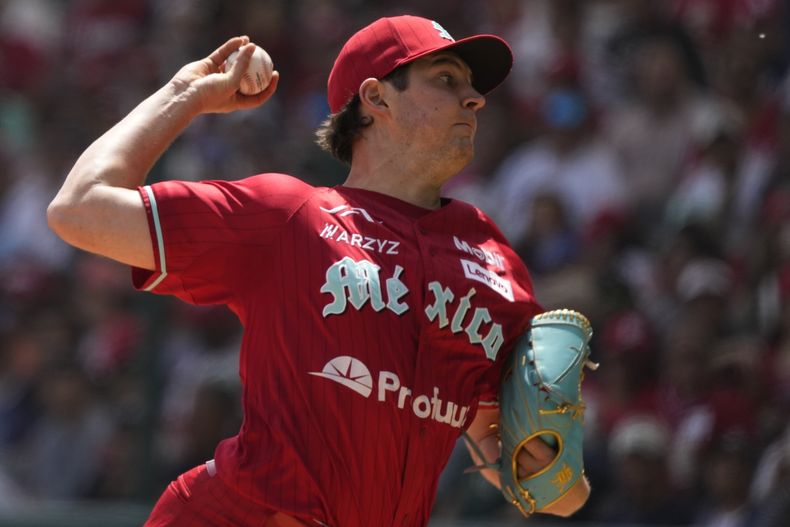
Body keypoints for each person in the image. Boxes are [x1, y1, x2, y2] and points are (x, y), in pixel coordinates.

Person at [47, 15, 590, 527]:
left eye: (471, 86)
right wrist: (186, 96)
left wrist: (543, 457)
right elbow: (80, 208)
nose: (472, 97)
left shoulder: (492, 260)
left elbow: (556, 493)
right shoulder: (290, 217)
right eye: (445, 79)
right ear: (376, 98)